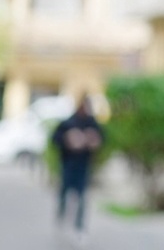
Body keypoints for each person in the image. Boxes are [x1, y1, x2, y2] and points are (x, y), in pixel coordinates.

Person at [52, 95, 103, 243]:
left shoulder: (92, 124)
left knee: (81, 198)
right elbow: (55, 139)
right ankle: (61, 216)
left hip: (83, 166)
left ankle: (79, 227)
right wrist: (68, 139)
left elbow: (101, 139)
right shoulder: (68, 123)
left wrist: (93, 140)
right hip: (68, 164)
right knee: (64, 193)